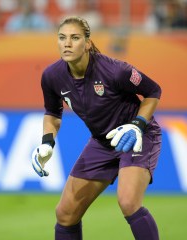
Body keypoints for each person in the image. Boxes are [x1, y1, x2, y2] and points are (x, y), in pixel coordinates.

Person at [31, 16, 162, 240]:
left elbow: (153, 91)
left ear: (88, 43)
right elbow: (53, 114)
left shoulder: (115, 70)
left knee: (128, 201)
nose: (67, 43)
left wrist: (137, 125)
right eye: (62, 38)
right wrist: (46, 144)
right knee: (65, 214)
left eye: (74, 38)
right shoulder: (52, 76)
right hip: (102, 142)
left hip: (138, 136)